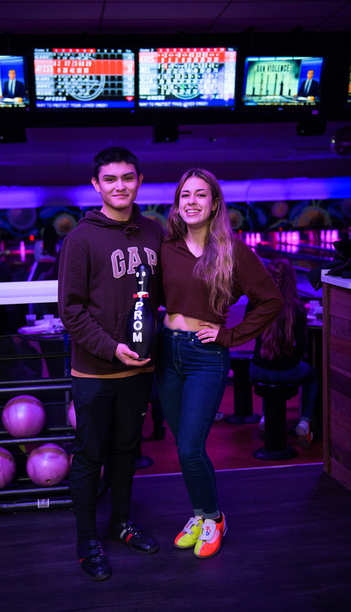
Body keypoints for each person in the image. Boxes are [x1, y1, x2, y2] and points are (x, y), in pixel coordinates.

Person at [155, 168, 283, 560]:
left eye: (200, 194)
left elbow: (271, 300)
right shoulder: (166, 247)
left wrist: (230, 336)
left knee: (191, 447)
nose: (191, 201)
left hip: (205, 356)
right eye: (185, 195)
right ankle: (199, 514)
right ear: (177, 204)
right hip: (167, 352)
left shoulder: (232, 251)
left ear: (214, 204)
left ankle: (214, 518)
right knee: (183, 447)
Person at [58, 146, 163, 581]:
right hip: (96, 371)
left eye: (128, 177)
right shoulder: (81, 239)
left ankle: (121, 522)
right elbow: (71, 310)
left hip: (140, 369)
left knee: (126, 451)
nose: (120, 186)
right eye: (111, 179)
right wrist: (110, 347)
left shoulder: (154, 231)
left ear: (139, 181)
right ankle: (87, 539)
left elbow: (163, 296)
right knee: (89, 455)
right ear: (96, 185)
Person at [248, 258, 318, 449]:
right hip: (286, 372)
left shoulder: (256, 303)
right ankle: (304, 422)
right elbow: (301, 349)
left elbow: (251, 334)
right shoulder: (297, 308)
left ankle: (265, 417)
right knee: (312, 373)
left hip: (257, 369)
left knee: (268, 369)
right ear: (291, 280)